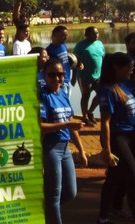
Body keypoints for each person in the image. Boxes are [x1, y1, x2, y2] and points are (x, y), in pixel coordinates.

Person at [40, 57, 87, 224]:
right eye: (52, 74)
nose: (56, 78)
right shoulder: (42, 95)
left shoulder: (63, 94)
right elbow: (39, 126)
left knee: (70, 192)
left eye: (60, 74)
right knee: (54, 194)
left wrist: (81, 150)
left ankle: (46, 212)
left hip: (65, 148)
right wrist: (66, 123)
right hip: (50, 147)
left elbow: (72, 126)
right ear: (44, 75)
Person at [97, 52, 135, 224]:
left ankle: (105, 213)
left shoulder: (127, 84)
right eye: (128, 67)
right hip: (118, 137)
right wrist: (107, 149)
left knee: (114, 176)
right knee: (132, 176)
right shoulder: (107, 89)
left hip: (132, 134)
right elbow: (105, 122)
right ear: (116, 68)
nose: (131, 70)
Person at [74, 26, 105, 126]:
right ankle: (84, 117)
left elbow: (102, 57)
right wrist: (74, 75)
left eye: (97, 33)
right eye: (93, 33)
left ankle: (90, 111)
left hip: (98, 75)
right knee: (86, 95)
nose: (96, 35)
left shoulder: (100, 44)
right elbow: (75, 59)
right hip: (84, 75)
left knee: (102, 94)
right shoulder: (80, 45)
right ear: (87, 35)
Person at [46, 25, 73, 96]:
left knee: (67, 104)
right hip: (60, 83)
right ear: (54, 35)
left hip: (67, 79)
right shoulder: (49, 50)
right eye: (63, 35)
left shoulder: (63, 45)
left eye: (66, 35)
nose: (65, 37)